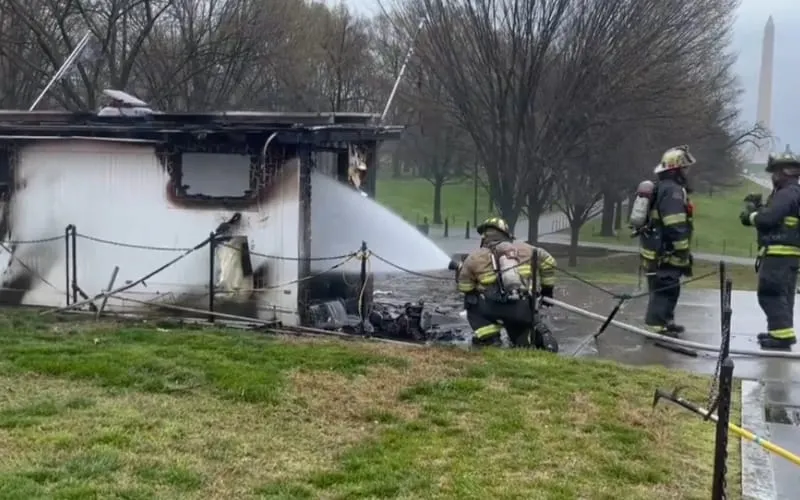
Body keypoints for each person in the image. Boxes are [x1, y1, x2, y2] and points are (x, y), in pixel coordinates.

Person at [456, 216, 558, 351]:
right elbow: (549, 262)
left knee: (470, 302)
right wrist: (547, 290)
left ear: (484, 236)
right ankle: (532, 339)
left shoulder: (474, 257)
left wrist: (462, 273)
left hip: (491, 308)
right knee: (522, 341)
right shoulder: (527, 249)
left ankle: (490, 338)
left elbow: (465, 287)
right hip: (521, 308)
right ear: (506, 234)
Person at [740, 152, 800, 350]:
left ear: (784, 172)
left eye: (775, 172)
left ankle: (781, 337)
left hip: (779, 255)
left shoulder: (786, 193)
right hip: (788, 256)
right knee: (783, 295)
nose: (773, 177)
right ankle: (781, 331)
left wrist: (750, 215)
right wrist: (760, 207)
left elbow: (768, 219)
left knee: (770, 293)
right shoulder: (793, 193)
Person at [639, 145, 696, 337]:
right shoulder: (673, 191)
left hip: (657, 250)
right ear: (675, 170)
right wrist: (683, 250)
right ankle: (656, 327)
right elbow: (675, 223)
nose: (687, 172)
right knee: (665, 289)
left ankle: (666, 321)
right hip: (667, 252)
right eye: (684, 168)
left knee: (669, 287)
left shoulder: (663, 187)